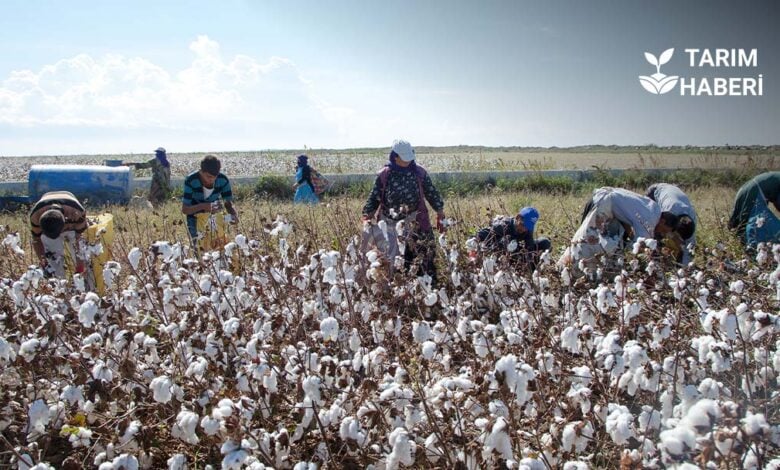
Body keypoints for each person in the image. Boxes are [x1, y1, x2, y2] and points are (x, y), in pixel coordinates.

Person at [361, 139, 446, 281]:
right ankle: (395, 289)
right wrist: (367, 216)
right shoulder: (385, 175)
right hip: (389, 223)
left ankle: (426, 286)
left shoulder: (419, 172)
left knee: (424, 254)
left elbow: (431, 193)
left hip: (416, 220)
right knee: (390, 258)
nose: (407, 162)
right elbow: (374, 197)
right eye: (403, 158)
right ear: (394, 157)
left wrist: (440, 211)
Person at [560, 187, 678, 267]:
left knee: (604, 242)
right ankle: (568, 266)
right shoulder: (650, 221)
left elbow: (629, 216)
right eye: (664, 230)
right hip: (605, 203)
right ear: (662, 221)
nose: (662, 233)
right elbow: (640, 247)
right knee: (588, 240)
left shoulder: (655, 208)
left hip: (608, 201)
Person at [29, 191, 88, 277]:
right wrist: (44, 262)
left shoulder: (77, 212)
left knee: (84, 259)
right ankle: (57, 283)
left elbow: (80, 239)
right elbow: (36, 240)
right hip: (46, 204)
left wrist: (80, 267)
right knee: (52, 260)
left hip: (72, 224)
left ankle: (86, 284)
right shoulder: (35, 216)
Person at [181, 155, 239, 244]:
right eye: (208, 176)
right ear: (201, 172)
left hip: (214, 217)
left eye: (215, 176)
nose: (212, 179)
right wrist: (203, 206)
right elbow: (185, 209)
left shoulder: (223, 180)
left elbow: (228, 203)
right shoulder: (191, 180)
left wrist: (234, 214)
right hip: (194, 218)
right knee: (198, 246)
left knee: (216, 246)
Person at [474, 207, 551, 270]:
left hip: (515, 251)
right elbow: (486, 232)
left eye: (528, 227)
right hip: (498, 251)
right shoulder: (503, 225)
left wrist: (530, 260)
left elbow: (529, 246)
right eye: (523, 225)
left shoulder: (527, 230)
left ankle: (531, 270)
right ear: (518, 217)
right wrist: (475, 239)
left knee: (545, 242)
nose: (524, 229)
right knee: (509, 241)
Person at [646, 183, 698, 264]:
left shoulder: (691, 223)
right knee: (655, 232)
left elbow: (689, 248)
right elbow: (658, 225)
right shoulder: (668, 210)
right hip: (656, 191)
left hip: (673, 192)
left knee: (681, 246)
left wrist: (685, 266)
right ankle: (654, 260)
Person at [729, 171, 780, 242]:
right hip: (754, 192)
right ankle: (754, 248)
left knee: (743, 222)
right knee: (761, 222)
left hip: (745, 190)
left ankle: (743, 245)